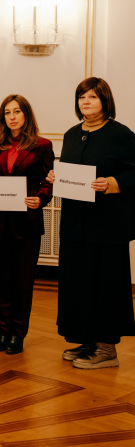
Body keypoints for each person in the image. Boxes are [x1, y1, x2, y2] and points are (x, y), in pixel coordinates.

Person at [47, 77, 135, 369]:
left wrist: (112, 183)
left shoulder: (121, 134)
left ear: (105, 101)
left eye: (92, 97)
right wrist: (55, 178)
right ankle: (86, 340)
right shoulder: (72, 134)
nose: (86, 102)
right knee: (79, 283)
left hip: (107, 226)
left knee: (105, 284)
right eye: (82, 97)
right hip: (75, 224)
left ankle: (107, 348)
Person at [0, 95, 54, 354]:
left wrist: (40, 199)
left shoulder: (42, 145)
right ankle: (2, 331)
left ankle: (18, 333)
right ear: (2, 117)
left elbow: (48, 182)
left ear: (26, 115)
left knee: (23, 281)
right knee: (1, 280)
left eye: (17, 111)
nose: (12, 116)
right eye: (7, 112)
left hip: (26, 223)